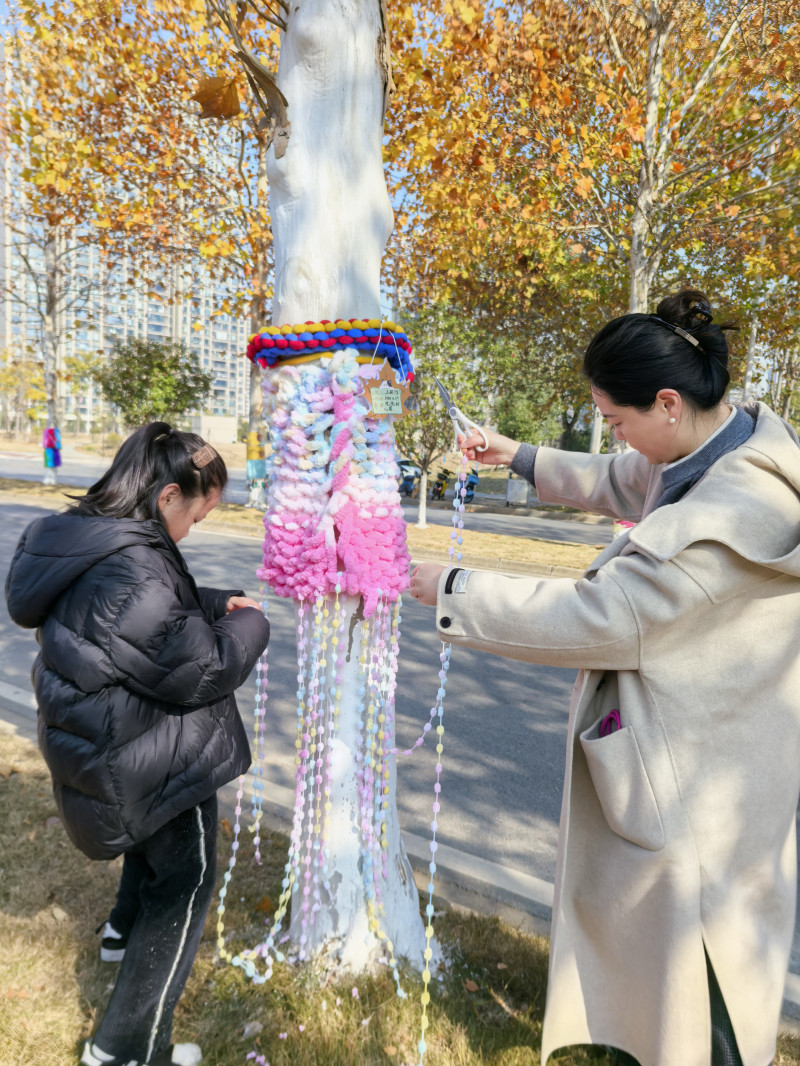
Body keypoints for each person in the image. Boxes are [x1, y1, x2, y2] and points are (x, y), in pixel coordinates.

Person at [409, 289, 800, 1066]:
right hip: (702, 752)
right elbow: (619, 480)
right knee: (664, 948)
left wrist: (447, 585)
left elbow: (601, 617)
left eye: (617, 421)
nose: (615, 438)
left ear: (665, 403)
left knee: (704, 970)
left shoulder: (732, 513)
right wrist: (514, 454)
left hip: (700, 780)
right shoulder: (721, 443)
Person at [5, 423, 270, 1066]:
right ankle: (127, 1047)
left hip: (108, 743)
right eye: (199, 514)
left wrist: (207, 600)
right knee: (187, 878)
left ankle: (120, 935)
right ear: (168, 495)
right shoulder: (136, 566)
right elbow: (201, 667)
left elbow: (131, 620)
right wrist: (252, 622)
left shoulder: (90, 540)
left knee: (149, 849)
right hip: (148, 754)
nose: (197, 525)